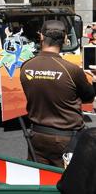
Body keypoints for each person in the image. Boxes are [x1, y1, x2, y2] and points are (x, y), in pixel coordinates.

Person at [21, 20, 96, 167]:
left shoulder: (26, 66)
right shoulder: (72, 69)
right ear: (66, 38)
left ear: (41, 37)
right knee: (69, 183)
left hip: (37, 136)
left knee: (39, 182)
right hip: (66, 139)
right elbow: (89, 97)